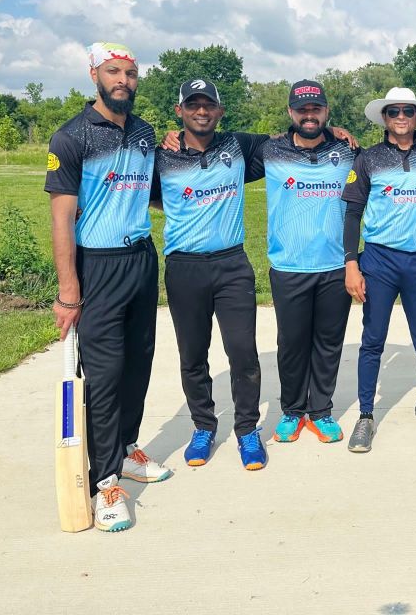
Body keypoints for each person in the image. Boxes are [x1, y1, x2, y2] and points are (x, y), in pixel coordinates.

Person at [45, 42, 171, 533]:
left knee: (139, 362)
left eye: (131, 73)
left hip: (141, 259)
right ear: (94, 74)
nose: (123, 80)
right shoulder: (70, 137)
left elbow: (155, 191)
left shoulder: (144, 132)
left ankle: (126, 448)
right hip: (97, 264)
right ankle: (105, 483)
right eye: (114, 71)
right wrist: (68, 291)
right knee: (104, 374)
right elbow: (61, 219)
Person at [151, 79, 268, 471]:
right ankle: (203, 425)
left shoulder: (239, 145)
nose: (201, 111)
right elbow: (151, 195)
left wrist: (336, 132)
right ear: (179, 110)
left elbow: (293, 139)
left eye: (208, 105)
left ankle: (247, 430)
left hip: (232, 265)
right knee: (192, 355)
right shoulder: (161, 156)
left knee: (243, 352)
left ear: (220, 110)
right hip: (184, 267)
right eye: (192, 105)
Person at [342, 88, 416, 452]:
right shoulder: (369, 158)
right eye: (394, 112)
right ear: (385, 117)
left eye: (408, 111)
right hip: (380, 259)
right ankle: (365, 416)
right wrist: (351, 263)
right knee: (373, 340)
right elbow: (352, 213)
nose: (402, 117)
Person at [256, 80, 358, 447]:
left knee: (329, 343)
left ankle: (321, 411)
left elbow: (391, 152)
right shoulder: (269, 150)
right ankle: (292, 410)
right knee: (292, 344)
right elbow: (217, 141)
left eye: (316, 109)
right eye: (302, 110)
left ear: (326, 111)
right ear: (291, 112)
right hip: (289, 265)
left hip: (334, 264)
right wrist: (174, 136)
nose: (309, 115)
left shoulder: (348, 150)